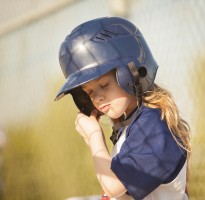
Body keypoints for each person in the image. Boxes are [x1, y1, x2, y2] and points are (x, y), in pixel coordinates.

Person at [54, 17, 191, 200]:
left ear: (133, 72)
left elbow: (114, 186)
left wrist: (95, 138)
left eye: (104, 84)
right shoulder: (132, 123)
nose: (97, 97)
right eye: (89, 92)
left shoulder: (155, 126)